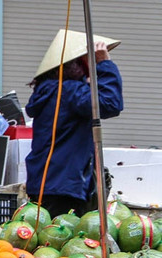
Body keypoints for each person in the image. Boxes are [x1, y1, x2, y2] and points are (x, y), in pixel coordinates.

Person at [24, 28, 123, 216]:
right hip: (63, 185)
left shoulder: (52, 90)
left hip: (51, 182)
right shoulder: (69, 91)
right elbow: (110, 103)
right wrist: (105, 64)